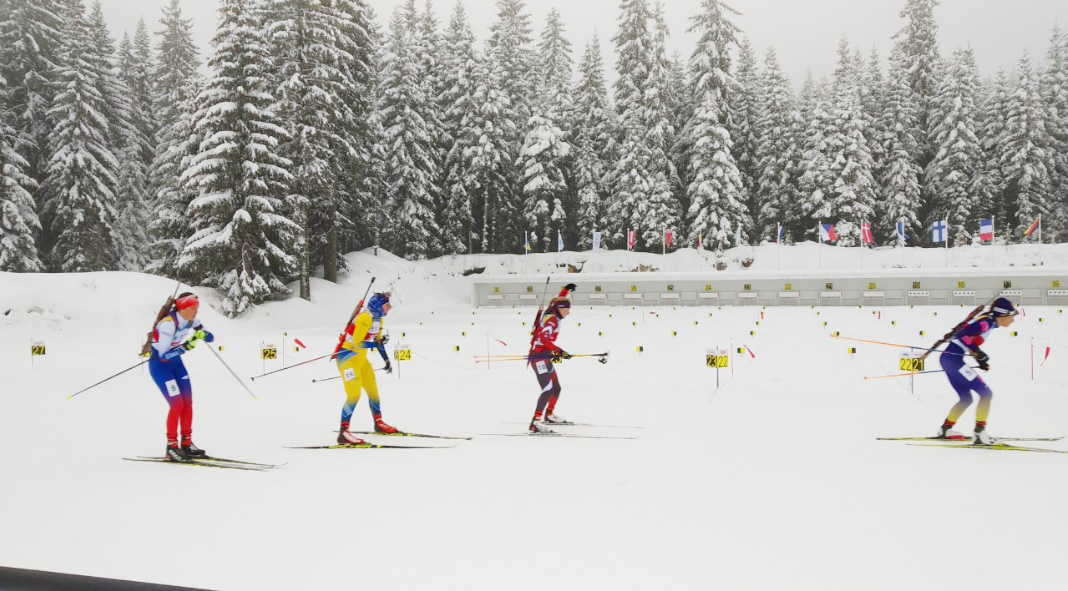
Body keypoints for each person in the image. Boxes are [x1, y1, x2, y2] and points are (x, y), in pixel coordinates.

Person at [936, 297, 1017, 444]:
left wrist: (979, 359)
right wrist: (977, 352)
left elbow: (968, 341)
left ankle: (945, 429)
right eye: (1012, 316)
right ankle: (980, 433)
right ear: (1003, 314)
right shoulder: (987, 322)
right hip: (953, 360)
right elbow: (961, 335)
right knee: (986, 394)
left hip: (950, 359)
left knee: (966, 398)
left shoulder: (989, 323)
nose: (1013, 320)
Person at [148, 292, 215, 461]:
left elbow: (210, 337)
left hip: (176, 364)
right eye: (192, 308)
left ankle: (186, 443)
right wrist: (188, 345)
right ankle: (171, 447)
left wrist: (203, 334)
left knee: (187, 403)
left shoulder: (192, 320)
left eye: (197, 308)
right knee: (177, 404)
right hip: (160, 366)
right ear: (183, 308)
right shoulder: (168, 325)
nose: (195, 311)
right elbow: (163, 356)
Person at [335, 292, 396, 445]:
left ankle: (378, 422)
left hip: (361, 360)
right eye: (387, 305)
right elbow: (356, 342)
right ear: (378, 306)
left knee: (373, 392)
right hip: (347, 359)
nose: (389, 308)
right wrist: (375, 344)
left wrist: (386, 360)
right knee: (354, 394)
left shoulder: (378, 319)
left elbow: (378, 342)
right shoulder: (365, 318)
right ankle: (343, 432)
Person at [528, 287, 576, 433]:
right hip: (539, 359)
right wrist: (559, 351)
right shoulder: (553, 320)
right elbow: (543, 338)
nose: (569, 312)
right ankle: (535, 422)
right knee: (548, 389)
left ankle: (549, 415)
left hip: (545, 356)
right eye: (567, 309)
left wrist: (565, 290)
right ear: (560, 309)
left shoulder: (552, 312)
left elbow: (557, 301)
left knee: (556, 388)